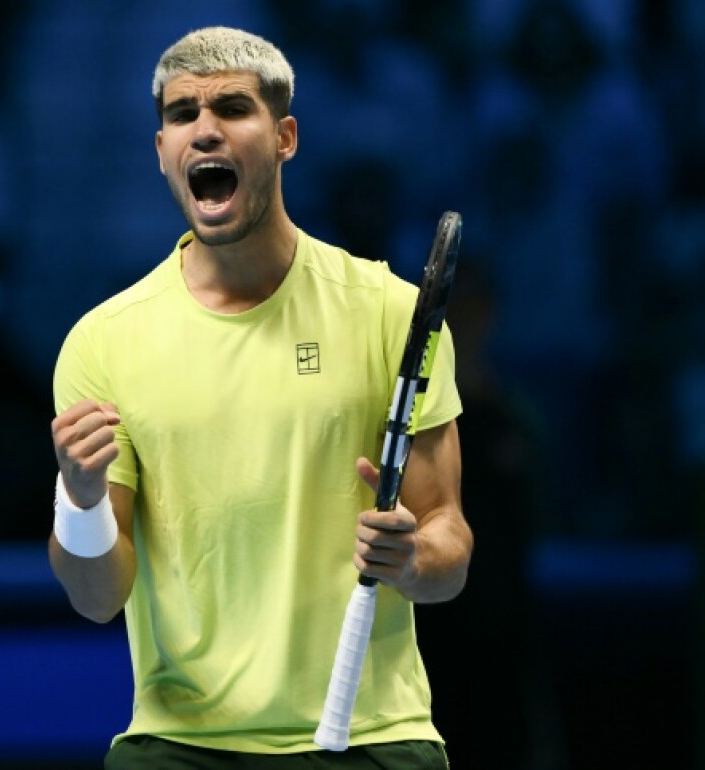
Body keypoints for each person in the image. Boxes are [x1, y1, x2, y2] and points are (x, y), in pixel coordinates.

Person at [48, 27, 473, 768]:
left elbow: (450, 548)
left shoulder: (386, 312)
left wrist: (412, 558)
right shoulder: (102, 342)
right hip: (179, 744)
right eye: (182, 115)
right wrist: (80, 502)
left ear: (284, 137)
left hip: (373, 738)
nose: (205, 128)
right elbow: (96, 598)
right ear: (161, 152)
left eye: (232, 109)